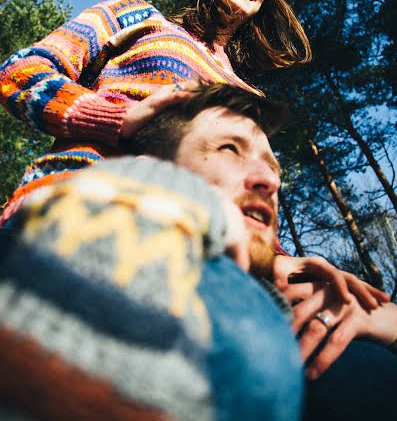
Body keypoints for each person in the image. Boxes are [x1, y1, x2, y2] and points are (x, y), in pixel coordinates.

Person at [1, 84, 395, 421]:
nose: (270, 180)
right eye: (229, 148)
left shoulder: (323, 305)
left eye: (273, 167)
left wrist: (382, 320)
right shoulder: (83, 251)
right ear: (150, 169)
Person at [0, 0, 311, 225]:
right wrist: (117, 118)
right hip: (83, 201)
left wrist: (277, 259)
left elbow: (250, 191)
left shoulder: (248, 94)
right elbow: (21, 71)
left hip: (199, 256)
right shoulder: (136, 16)